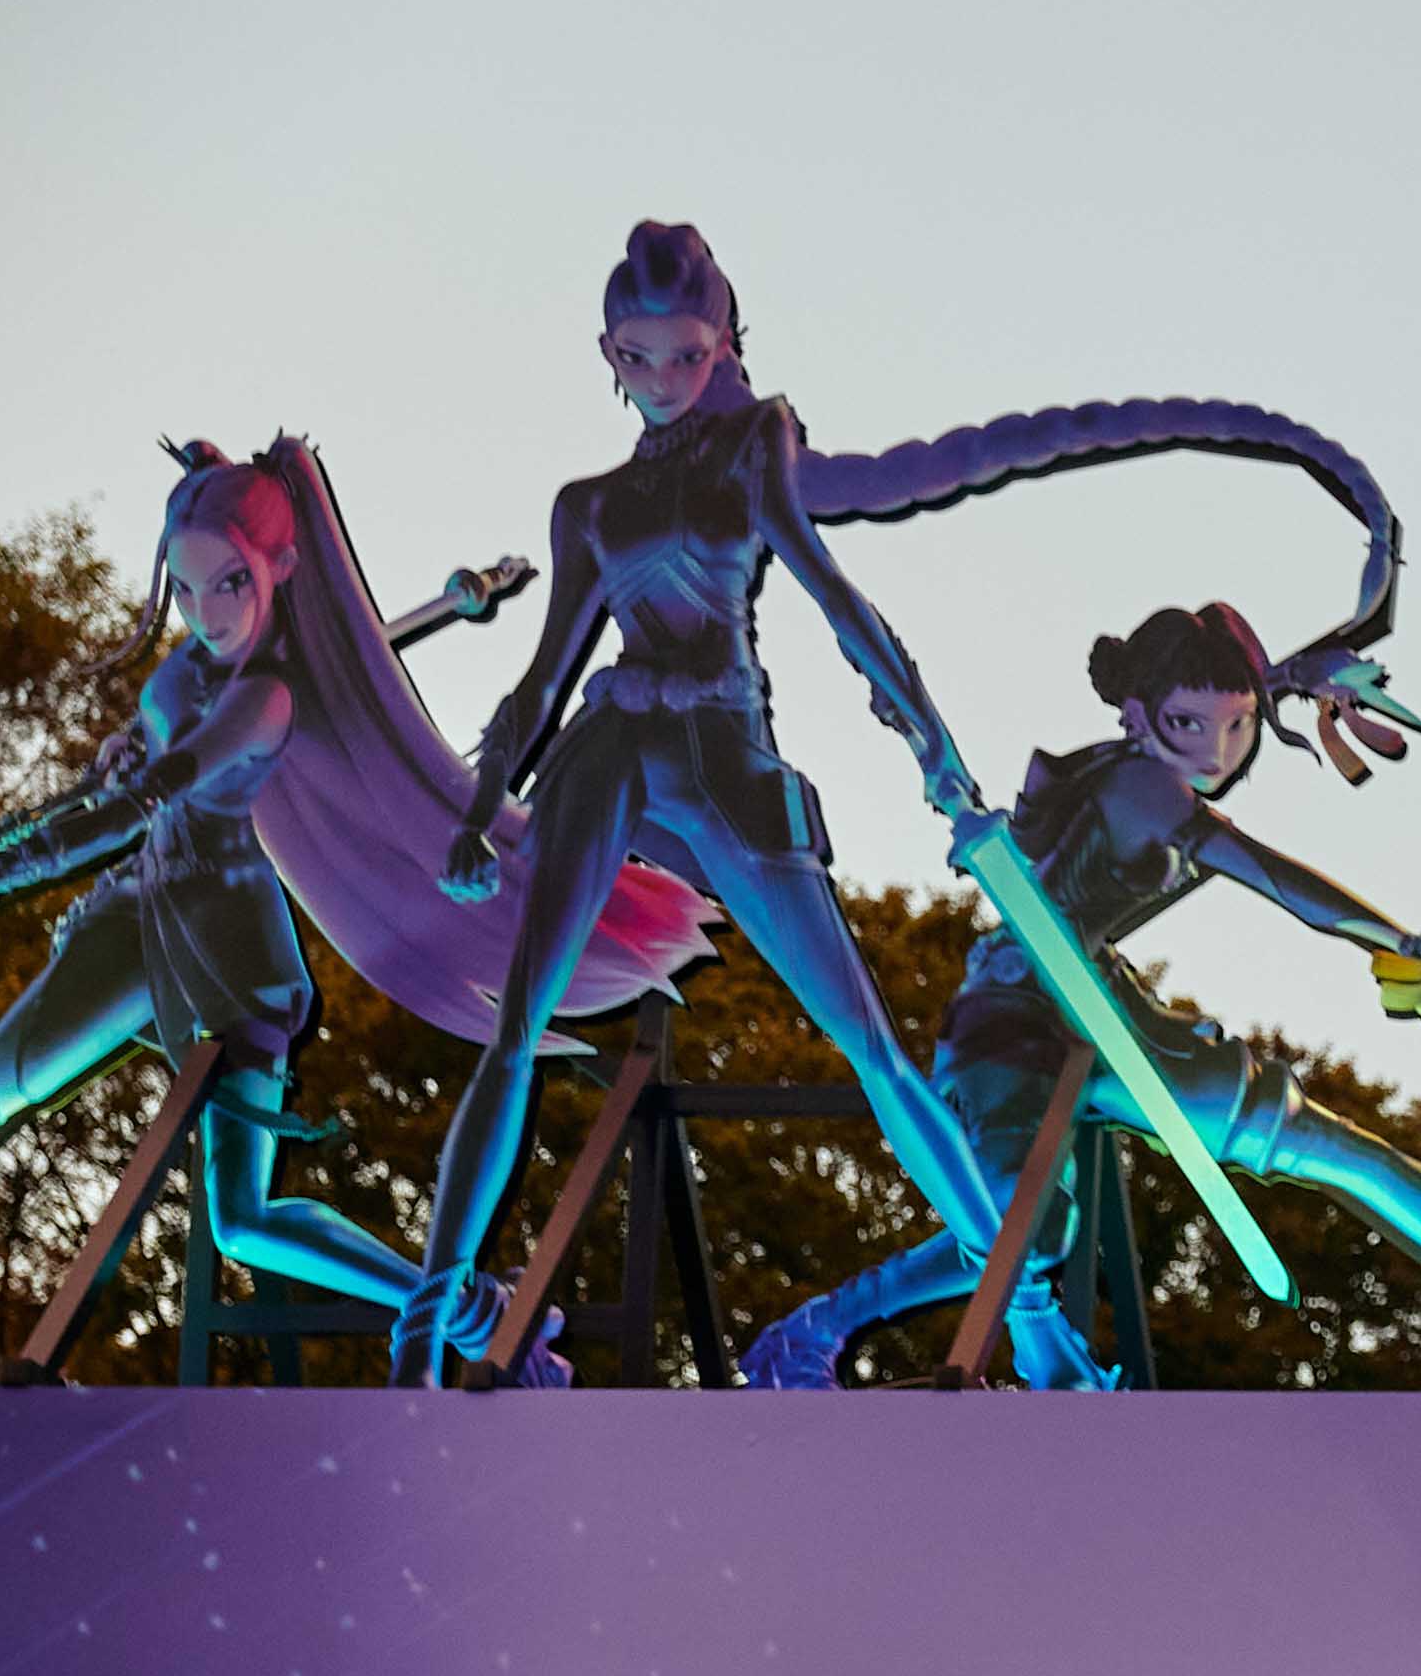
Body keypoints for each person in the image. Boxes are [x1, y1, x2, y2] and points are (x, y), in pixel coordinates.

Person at [0, 440, 698, 1371]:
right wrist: (136, 732)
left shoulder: (268, 703)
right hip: (179, 926)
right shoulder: (212, 664)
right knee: (183, 1200)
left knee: (48, 1156)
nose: (207, 614)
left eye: (230, 586)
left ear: (281, 567)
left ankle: (460, 1311)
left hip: (203, 940)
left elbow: (121, 816)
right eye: (186, 588)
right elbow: (182, 722)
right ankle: (468, 1311)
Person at [739, 598, 1421, 1428]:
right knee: (1024, 1233)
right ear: (1139, 715)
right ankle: (817, 1335)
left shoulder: (1144, 767)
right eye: (1192, 726)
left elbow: (1246, 718)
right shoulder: (1147, 790)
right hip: (1016, 1018)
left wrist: (1299, 683)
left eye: (1236, 727)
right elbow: (1271, 877)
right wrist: (1400, 939)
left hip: (1107, 1017)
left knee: (1351, 1160)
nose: (1219, 752)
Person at [405, 221, 1012, 1374]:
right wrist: (481, 811)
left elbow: (834, 595)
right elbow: (544, 673)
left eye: (688, 355)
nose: (664, 379)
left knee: (868, 1039)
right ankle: (423, 1330)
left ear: (723, 345)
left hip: (723, 749)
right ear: (608, 354)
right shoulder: (588, 504)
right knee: (516, 1029)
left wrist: (929, 741)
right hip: (614, 744)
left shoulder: (752, 440)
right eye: (640, 358)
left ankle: (1021, 1303)